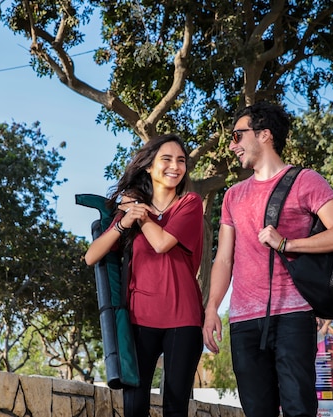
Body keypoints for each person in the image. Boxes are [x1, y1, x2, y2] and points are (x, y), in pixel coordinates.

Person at [202, 102, 333, 417]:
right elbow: (223, 259)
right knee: (257, 411)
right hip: (244, 320)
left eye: (237, 135)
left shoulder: (305, 181)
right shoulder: (233, 195)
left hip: (293, 315)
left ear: (264, 134)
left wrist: (287, 243)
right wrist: (211, 310)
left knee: (298, 409)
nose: (233, 146)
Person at [84, 133, 204, 417]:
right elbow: (91, 256)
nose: (175, 166)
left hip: (183, 319)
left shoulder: (189, 204)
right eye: (166, 159)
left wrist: (141, 216)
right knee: (134, 408)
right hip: (138, 320)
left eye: (181, 161)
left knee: (175, 407)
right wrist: (123, 222)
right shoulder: (131, 211)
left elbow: (162, 243)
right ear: (149, 166)